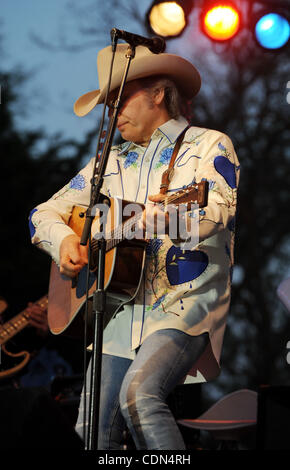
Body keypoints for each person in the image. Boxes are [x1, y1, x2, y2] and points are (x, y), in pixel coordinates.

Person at [29, 43, 240, 450]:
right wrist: (67, 241)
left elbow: (216, 213)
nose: (114, 113)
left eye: (121, 99)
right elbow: (40, 216)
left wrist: (153, 216)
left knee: (139, 397)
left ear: (158, 93)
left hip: (184, 302)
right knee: (89, 428)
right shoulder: (110, 162)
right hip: (120, 309)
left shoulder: (210, 145)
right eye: (109, 105)